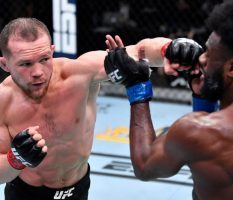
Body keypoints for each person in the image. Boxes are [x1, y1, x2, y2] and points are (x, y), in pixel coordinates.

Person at [104, 0, 233, 199]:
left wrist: (136, 85)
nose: (201, 59)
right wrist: (204, 98)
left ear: (232, 68)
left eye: (209, 54)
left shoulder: (195, 131)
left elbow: (144, 164)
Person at [0, 17, 178, 200]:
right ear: (5, 64)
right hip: (26, 194)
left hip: (78, 188)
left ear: (52, 52)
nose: (38, 72)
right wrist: (15, 160)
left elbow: (139, 50)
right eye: (26, 64)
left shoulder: (78, 74)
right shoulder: (3, 102)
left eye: (44, 59)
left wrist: (171, 49)